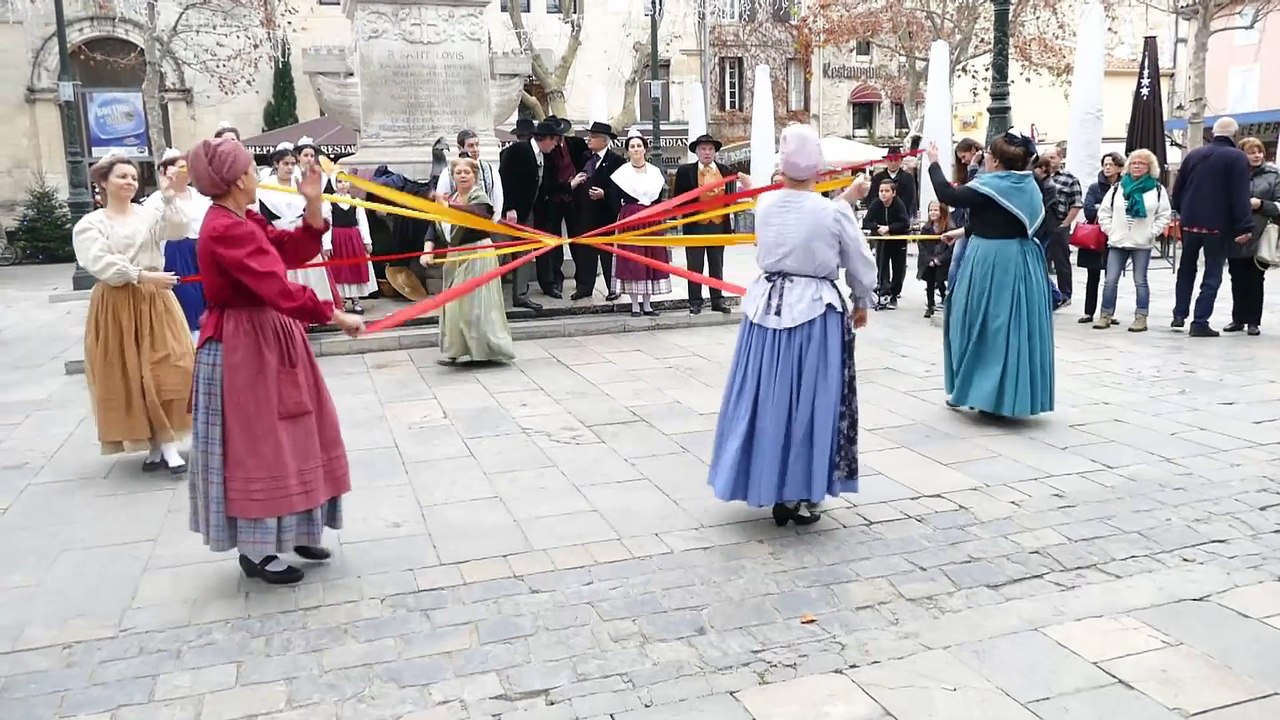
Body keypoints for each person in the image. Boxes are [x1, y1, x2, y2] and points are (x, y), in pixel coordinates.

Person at [186, 137, 365, 585]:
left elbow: (290, 251)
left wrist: (313, 204)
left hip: (271, 336)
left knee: (300, 434)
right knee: (260, 445)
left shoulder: (243, 218)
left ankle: (299, 528)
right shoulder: (224, 228)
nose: (254, 174)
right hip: (244, 346)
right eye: (249, 167)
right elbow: (274, 284)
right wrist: (334, 313)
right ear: (235, 179)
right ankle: (257, 549)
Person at [707, 123, 877, 526]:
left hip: (764, 313)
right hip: (815, 314)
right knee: (811, 402)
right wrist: (862, 300)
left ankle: (766, 481)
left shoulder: (765, 206)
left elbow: (785, 207)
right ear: (818, 168)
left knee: (766, 398)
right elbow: (860, 263)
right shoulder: (833, 212)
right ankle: (803, 491)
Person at [72, 154, 193, 472]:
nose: (129, 182)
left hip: (155, 301)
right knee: (132, 372)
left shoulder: (147, 213)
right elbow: (101, 263)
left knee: (172, 366)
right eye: (122, 176)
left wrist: (168, 199)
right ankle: (158, 443)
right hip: (118, 302)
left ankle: (164, 441)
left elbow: (179, 230)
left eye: (134, 177)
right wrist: (143, 276)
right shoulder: (91, 224)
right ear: (103, 182)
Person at [926, 131, 1054, 418]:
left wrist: (934, 162)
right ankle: (1002, 394)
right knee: (1011, 328)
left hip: (992, 260)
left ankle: (983, 393)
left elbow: (948, 194)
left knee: (976, 323)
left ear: (995, 161)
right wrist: (962, 231)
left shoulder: (991, 184)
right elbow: (1001, 219)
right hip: (1024, 259)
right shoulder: (1026, 184)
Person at [423, 157, 516, 365]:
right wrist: (427, 249)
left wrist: (449, 206)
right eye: (459, 172)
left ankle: (485, 350)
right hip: (455, 256)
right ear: (452, 176)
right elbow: (435, 227)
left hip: (477, 254)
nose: (463, 175)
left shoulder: (479, 197)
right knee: (454, 305)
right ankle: (455, 350)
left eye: (467, 172)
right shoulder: (451, 198)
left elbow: (479, 216)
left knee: (476, 305)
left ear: (474, 176)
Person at [1171, 116, 1254, 337]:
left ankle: (1179, 314)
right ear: (1235, 135)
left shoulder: (1195, 154)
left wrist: (1183, 210)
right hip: (1217, 225)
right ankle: (1199, 322)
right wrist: (1244, 226)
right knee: (1212, 272)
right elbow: (1240, 195)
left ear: (1213, 132)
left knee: (1186, 268)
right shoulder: (1237, 158)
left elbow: (1178, 189)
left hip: (1190, 223)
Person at [1094, 149, 1172, 332]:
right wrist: (1110, 230)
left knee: (1140, 280)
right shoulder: (1118, 188)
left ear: (1150, 167)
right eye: (1134, 163)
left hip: (1141, 243)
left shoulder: (1157, 189)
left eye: (1142, 163)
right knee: (1110, 280)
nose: (1137, 166)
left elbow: (1164, 215)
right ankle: (1105, 314)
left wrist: (1152, 232)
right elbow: (1104, 211)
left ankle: (1141, 317)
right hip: (1118, 241)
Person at [258, 145, 339, 310]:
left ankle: (315, 309)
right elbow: (264, 217)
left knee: (311, 274)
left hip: (300, 234)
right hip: (278, 236)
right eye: (285, 164)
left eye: (292, 164)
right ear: (276, 164)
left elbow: (312, 211)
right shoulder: (264, 188)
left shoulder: (301, 185)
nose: (289, 168)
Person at [143, 148, 212, 338]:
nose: (186, 171)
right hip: (176, 257)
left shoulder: (202, 196)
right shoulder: (155, 201)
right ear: (166, 172)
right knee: (186, 304)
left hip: (203, 255)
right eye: (181, 167)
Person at [498, 119, 559, 310]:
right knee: (502, 252)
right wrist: (509, 206)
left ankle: (520, 294)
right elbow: (504, 178)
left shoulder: (543, 156)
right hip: (511, 212)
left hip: (529, 213)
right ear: (546, 139)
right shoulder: (518, 150)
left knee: (524, 253)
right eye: (554, 140)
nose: (556, 145)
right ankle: (490, 293)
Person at [609, 130, 671, 316]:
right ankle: (635, 304)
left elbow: (661, 197)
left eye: (639, 146)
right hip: (630, 218)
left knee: (651, 257)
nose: (636, 149)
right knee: (633, 259)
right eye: (632, 146)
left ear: (645, 149)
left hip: (651, 218)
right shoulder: (621, 174)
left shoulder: (655, 172)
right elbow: (614, 199)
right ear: (627, 151)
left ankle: (647, 304)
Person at [673, 133, 735, 314]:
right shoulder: (685, 171)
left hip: (718, 224)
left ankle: (717, 300)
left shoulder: (725, 170)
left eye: (710, 149)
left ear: (715, 151)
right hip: (695, 225)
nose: (707, 153)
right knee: (695, 265)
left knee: (717, 264)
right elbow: (678, 199)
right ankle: (695, 301)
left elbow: (731, 198)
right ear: (697, 152)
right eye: (703, 149)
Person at [1225, 136, 1280, 336]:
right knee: (1236, 277)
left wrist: (1261, 204)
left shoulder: (1273, 176)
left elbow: (1279, 204)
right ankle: (1237, 318)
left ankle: (1253, 321)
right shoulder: (1232, 175)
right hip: (1235, 233)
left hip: (1260, 234)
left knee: (1255, 279)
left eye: (1259, 152)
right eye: (1251, 152)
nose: (1256, 156)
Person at [568, 121, 625, 300]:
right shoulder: (584, 157)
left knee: (607, 255)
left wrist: (605, 194)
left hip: (604, 216)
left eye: (593, 137)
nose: (589, 139)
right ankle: (584, 287)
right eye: (589, 136)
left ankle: (613, 288)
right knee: (584, 253)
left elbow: (620, 189)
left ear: (605, 141)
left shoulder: (616, 161)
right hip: (583, 214)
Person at [1078, 152, 1125, 325]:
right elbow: (1089, 210)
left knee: (1111, 277)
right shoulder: (1094, 187)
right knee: (1093, 275)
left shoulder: (1124, 187)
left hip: (1115, 236)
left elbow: (1124, 211)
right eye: (1105, 164)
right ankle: (1089, 312)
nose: (1107, 168)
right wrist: (1106, 210)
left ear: (1119, 168)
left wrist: (1103, 209)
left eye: (1111, 164)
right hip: (1096, 237)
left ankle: (1108, 313)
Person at [325, 176, 377, 314]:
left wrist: (367, 241)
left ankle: (356, 300)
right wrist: (326, 244)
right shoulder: (329, 201)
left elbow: (362, 222)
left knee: (355, 267)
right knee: (339, 269)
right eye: (339, 182)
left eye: (345, 181)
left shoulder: (355, 202)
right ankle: (340, 300)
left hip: (353, 239)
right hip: (337, 239)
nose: (343, 184)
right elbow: (327, 223)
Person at [1041, 146, 1082, 309]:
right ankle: (1047, 294)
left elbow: (1077, 204)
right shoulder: (1039, 176)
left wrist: (1065, 223)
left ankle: (1065, 294)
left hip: (1059, 223)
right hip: (1041, 223)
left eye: (1053, 157)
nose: (1050, 161)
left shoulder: (1070, 179)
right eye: (1047, 157)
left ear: (1060, 158)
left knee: (1061, 261)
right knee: (1041, 260)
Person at [435, 129, 505, 222]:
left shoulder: (490, 170)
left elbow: (497, 199)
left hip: (486, 225)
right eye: (471, 146)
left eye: (477, 145)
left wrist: (493, 223)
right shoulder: (447, 173)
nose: (475, 149)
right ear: (460, 148)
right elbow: (441, 202)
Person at [862, 179, 911, 308]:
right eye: (881, 191)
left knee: (898, 268)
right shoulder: (876, 204)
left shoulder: (899, 204)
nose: (883, 194)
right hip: (882, 240)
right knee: (882, 266)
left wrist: (889, 228)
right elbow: (866, 222)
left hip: (898, 239)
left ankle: (894, 295)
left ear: (893, 193)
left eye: (887, 191)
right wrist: (878, 227)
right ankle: (883, 292)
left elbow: (905, 223)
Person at [919, 201, 954, 318]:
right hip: (929, 261)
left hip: (943, 261)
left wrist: (940, 259)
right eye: (930, 210)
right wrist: (928, 259)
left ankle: (946, 301)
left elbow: (951, 248)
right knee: (929, 283)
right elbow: (922, 245)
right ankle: (930, 305)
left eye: (935, 210)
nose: (932, 213)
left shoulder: (949, 228)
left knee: (940, 281)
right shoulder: (926, 228)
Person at [869, 147, 917, 220]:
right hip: (881, 215)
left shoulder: (908, 177)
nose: (893, 163)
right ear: (886, 161)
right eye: (890, 160)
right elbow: (872, 196)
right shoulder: (878, 177)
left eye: (896, 160)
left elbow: (910, 198)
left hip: (901, 216)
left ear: (901, 160)